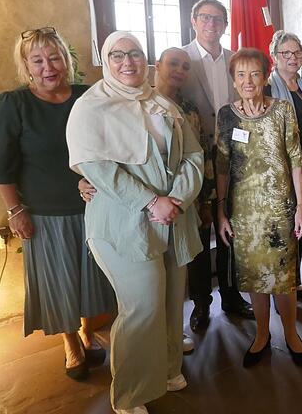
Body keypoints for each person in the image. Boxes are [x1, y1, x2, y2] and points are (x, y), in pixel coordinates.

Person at [67, 31, 204, 413]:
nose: (127, 62)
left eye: (135, 54)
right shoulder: (91, 107)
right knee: (142, 306)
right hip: (123, 223)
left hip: (173, 217)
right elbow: (97, 168)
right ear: (106, 61)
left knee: (173, 301)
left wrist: (176, 198)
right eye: (117, 55)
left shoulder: (160, 102)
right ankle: (129, 394)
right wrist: (150, 201)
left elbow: (193, 154)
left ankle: (167, 370)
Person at [0, 27, 115, 382]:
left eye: (55, 57)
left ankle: (88, 333)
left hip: (92, 207)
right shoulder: (14, 104)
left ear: (67, 60)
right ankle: (70, 342)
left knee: (93, 281)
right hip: (45, 214)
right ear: (27, 66)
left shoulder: (86, 96)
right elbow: (2, 167)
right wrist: (16, 211)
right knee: (59, 284)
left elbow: (107, 147)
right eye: (38, 60)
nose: (49, 66)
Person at [215, 48, 302, 368]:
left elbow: (296, 159)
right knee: (255, 277)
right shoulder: (226, 115)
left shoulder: (283, 109)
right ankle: (261, 335)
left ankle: (291, 334)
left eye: (254, 73)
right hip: (244, 213)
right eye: (240, 75)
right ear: (233, 80)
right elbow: (222, 166)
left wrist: (301, 207)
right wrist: (220, 211)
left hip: (281, 209)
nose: (248, 81)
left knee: (284, 277)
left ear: (265, 75)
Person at [181, 0, 254, 329]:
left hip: (233, 157)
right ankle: (200, 302)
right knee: (200, 231)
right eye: (205, 18)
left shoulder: (234, 61)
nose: (212, 24)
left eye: (218, 19)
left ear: (226, 25)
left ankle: (232, 294)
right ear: (194, 21)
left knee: (231, 228)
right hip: (194, 159)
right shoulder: (181, 59)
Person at [266, 30, 302, 301]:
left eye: (297, 52)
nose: (292, 57)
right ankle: (281, 290)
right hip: (280, 173)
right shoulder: (268, 89)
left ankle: (294, 281)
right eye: (285, 53)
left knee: (301, 230)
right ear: (274, 56)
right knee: (283, 233)